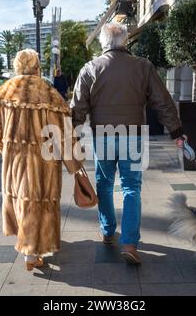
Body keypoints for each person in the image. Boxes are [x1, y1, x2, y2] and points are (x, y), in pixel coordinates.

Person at [71, 22, 186, 264]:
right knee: (131, 187)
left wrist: (73, 134)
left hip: (102, 135)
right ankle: (130, 243)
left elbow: (78, 106)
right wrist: (176, 131)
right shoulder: (143, 66)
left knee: (104, 185)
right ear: (125, 41)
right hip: (132, 135)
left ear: (103, 42)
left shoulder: (90, 68)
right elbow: (162, 101)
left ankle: (108, 231)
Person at [0, 49, 82, 271]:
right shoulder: (50, 94)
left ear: (17, 66)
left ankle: (30, 247)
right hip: (45, 161)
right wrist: (74, 164)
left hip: (16, 161)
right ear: (37, 66)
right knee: (38, 202)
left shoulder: (3, 93)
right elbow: (65, 134)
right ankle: (31, 253)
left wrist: (7, 150)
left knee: (22, 199)